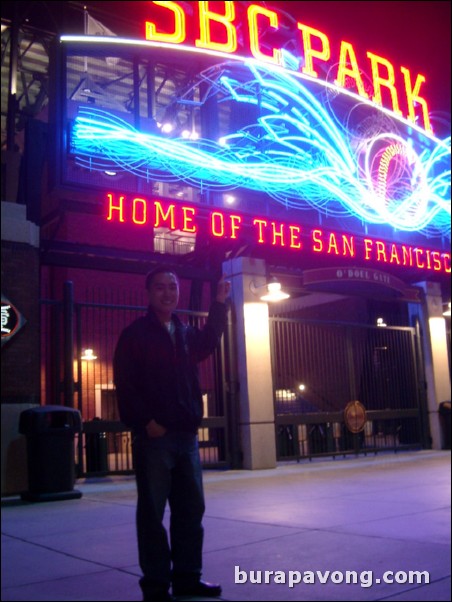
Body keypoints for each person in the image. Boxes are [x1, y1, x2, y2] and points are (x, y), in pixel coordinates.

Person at [113, 267, 230, 602]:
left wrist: (219, 303)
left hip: (186, 436)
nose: (168, 293)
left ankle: (187, 578)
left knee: (191, 511)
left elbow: (209, 341)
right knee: (152, 513)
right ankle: (156, 586)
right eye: (161, 287)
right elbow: (126, 384)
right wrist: (146, 421)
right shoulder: (136, 334)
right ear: (149, 293)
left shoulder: (184, 332)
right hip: (155, 439)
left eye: (173, 287)